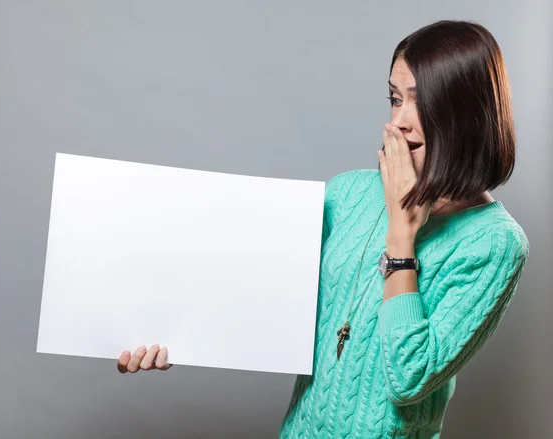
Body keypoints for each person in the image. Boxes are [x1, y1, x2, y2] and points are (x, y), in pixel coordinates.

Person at [116, 20, 529, 439]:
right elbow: (260, 300)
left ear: (466, 113)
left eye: (420, 102)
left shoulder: (495, 243)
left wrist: (402, 235)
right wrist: (172, 334)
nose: (400, 121)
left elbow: (409, 378)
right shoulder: (347, 192)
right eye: (393, 99)